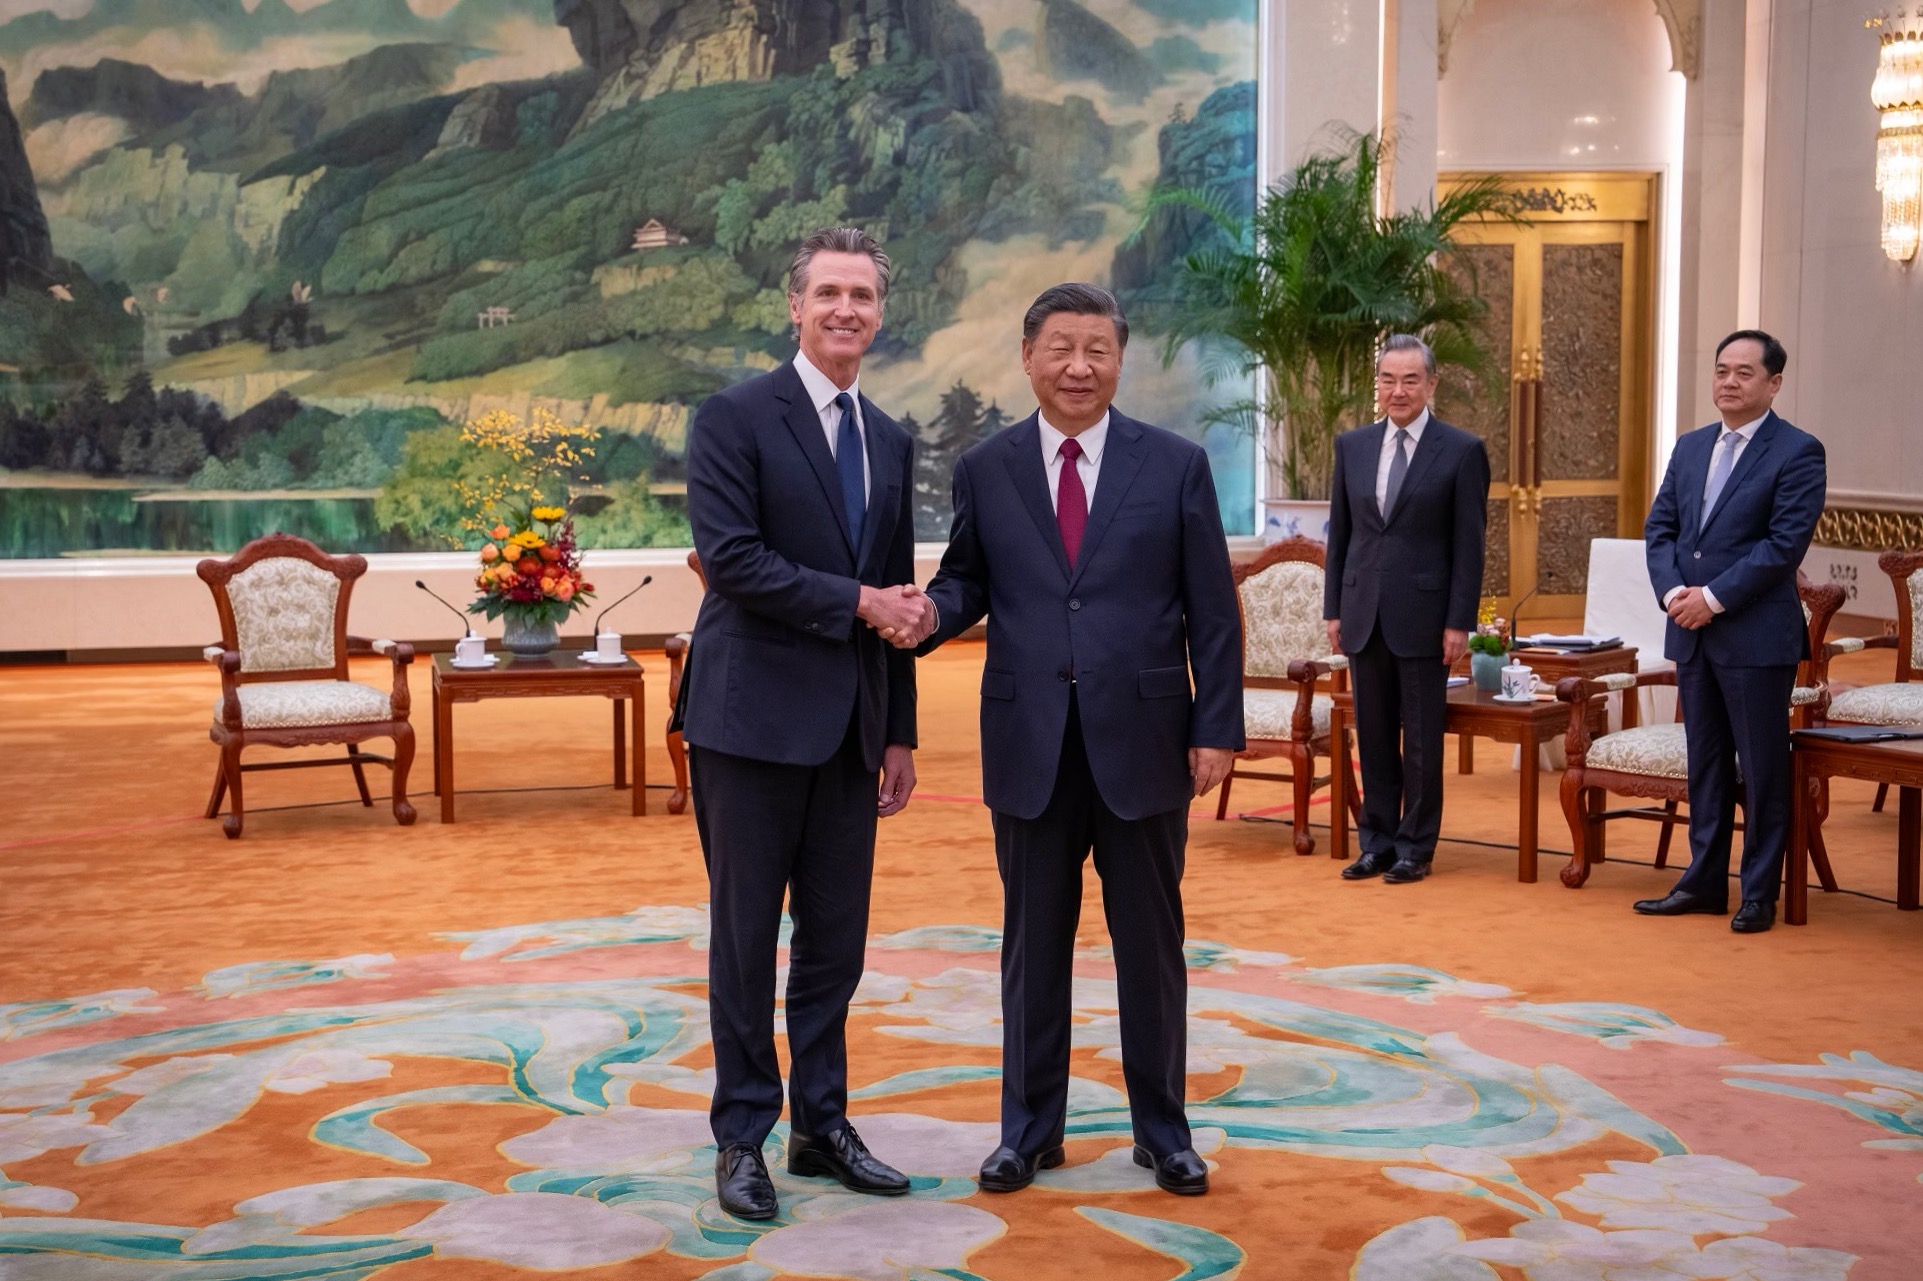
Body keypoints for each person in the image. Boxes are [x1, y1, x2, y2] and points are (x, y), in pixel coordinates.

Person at [914, 282, 1242, 1197]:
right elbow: (964, 581)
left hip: (1145, 742)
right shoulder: (988, 467)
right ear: (1027, 357)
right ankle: (1028, 1131)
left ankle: (1162, 1131)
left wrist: (1215, 723)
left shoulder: (1173, 463)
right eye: (1059, 348)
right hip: (1030, 742)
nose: (1077, 367)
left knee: (1150, 945)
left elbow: (1212, 611)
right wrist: (917, 615)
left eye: (1095, 349)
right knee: (1033, 945)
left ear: (1118, 360)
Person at [682, 226, 937, 1220]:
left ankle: (821, 1126)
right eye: (827, 293)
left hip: (850, 733)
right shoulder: (734, 418)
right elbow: (734, 562)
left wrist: (900, 730)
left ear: (881, 313)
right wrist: (863, 605)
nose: (845, 311)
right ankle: (741, 1133)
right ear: (795, 307)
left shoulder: (891, 436)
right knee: (745, 940)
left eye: (862, 297)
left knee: (836, 944)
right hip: (746, 726)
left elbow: (896, 594)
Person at [1635, 329, 1826, 934]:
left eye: (1745, 373)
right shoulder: (1691, 447)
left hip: (1754, 636)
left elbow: (1781, 547)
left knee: (1763, 765)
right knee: (1707, 763)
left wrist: (1712, 600)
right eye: (1721, 370)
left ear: (1774, 383)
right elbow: (1660, 527)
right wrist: (1672, 595)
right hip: (1691, 631)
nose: (1729, 382)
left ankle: (1759, 891)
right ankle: (1703, 882)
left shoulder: (1798, 451)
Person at [1323, 334, 1490, 884]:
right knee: (1371, 735)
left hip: (1425, 617)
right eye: (1388, 380)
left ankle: (1416, 847)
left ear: (1431, 384)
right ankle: (1377, 843)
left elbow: (1469, 545)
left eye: (1410, 380)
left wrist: (1458, 622)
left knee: (1420, 741)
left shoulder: (1462, 451)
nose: (1398, 391)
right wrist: (1334, 609)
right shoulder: (1352, 446)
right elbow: (1341, 535)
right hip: (1362, 611)